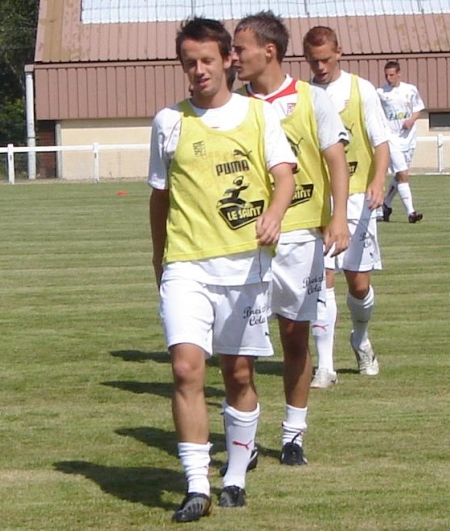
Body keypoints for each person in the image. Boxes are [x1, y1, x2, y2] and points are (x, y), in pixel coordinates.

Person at [148, 17, 296, 523]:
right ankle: (195, 485)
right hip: (186, 265)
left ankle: (234, 473)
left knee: (238, 373)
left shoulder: (258, 117)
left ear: (229, 60)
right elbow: (159, 198)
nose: (198, 70)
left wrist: (275, 214)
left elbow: (283, 176)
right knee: (186, 367)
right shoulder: (168, 122)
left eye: (207, 60)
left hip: (245, 266)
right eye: (189, 62)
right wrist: (158, 259)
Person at [232, 11, 351, 465]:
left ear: (269, 51)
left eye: (239, 49)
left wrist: (338, 218)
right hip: (248, 240)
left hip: (301, 235)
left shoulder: (310, 99)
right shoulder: (236, 107)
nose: (233, 57)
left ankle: (293, 434)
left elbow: (335, 160)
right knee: (241, 343)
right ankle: (245, 438)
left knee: (294, 336)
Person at [302, 26, 391, 388]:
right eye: (313, 60)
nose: (320, 66)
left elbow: (381, 141)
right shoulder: (303, 96)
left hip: (357, 197)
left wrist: (377, 180)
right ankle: (325, 366)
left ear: (339, 52)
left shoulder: (361, 90)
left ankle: (361, 338)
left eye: (325, 59)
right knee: (322, 278)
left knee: (358, 284)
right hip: (319, 200)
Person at [377, 60, 425, 223]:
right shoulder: (380, 93)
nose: (389, 78)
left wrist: (411, 120)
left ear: (399, 74)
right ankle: (411, 213)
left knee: (399, 176)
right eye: (386, 75)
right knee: (404, 174)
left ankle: (385, 206)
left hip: (409, 138)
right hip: (391, 138)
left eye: (391, 75)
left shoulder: (410, 90)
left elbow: (418, 108)